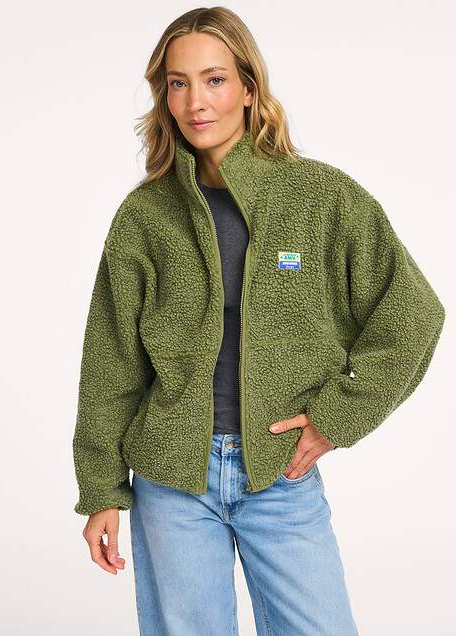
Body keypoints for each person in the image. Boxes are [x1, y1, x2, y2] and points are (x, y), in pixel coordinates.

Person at [72, 7, 445, 635]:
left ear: (248, 87)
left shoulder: (321, 197)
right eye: (178, 83)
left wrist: (337, 416)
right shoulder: (144, 217)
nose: (196, 101)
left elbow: (412, 314)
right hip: (170, 482)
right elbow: (111, 362)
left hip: (280, 475)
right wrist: (102, 488)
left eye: (214, 79)